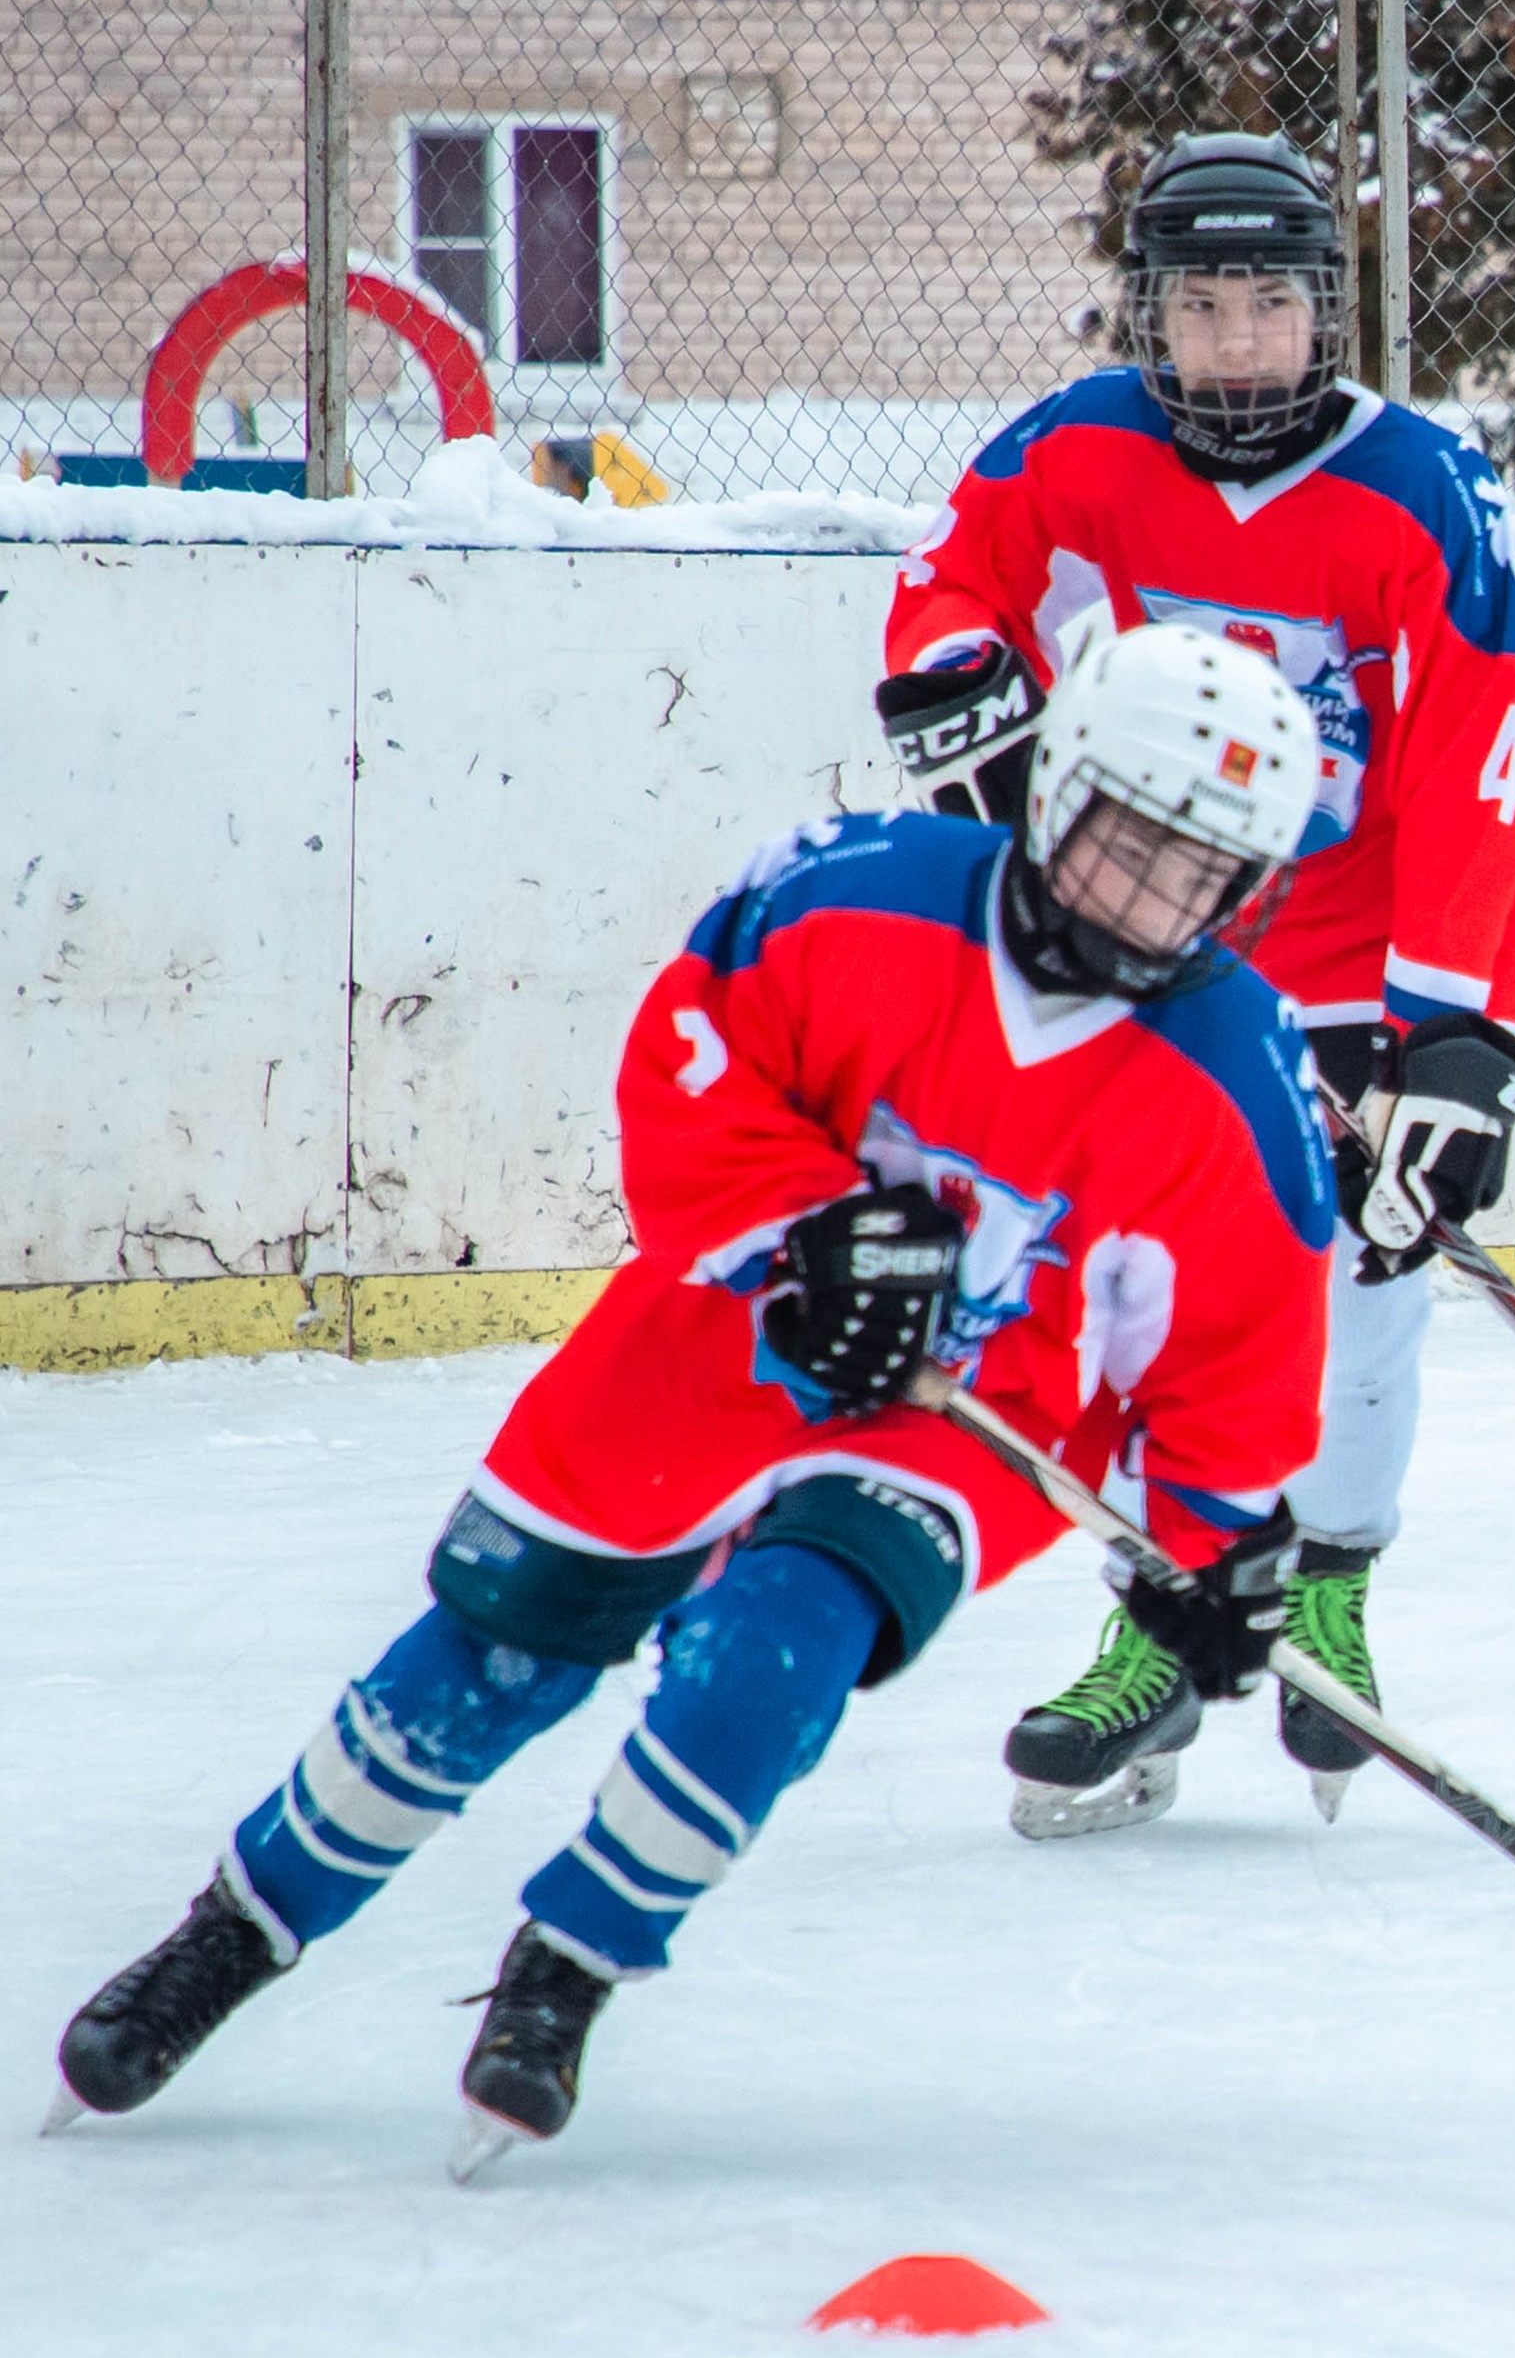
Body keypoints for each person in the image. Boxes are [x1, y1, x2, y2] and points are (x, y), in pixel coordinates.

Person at [49, 629, 1338, 2172]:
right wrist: (808, 1228)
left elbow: (1236, 1349)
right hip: (724, 1325)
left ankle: (567, 1967)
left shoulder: (1239, 1067)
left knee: (776, 1642)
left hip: (962, 1407)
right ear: (1055, 793)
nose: (1151, 902)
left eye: (1200, 875)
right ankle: (234, 1935)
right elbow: (687, 1063)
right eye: (1131, 845)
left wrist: (1201, 1547)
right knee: (493, 1656)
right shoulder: (851, 886)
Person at [876, 130, 1515, 1827]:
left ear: (1326, 310)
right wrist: (955, 675)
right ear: (1149, 310)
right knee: (1142, 1291)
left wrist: (1454, 1030)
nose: (1238, 340)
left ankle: (1329, 1579)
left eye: (1271, 302)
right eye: (1202, 303)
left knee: (1371, 1265)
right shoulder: (1074, 445)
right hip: (1158, 946)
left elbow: (1493, 759)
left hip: (1350, 958)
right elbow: (952, 580)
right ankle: (1166, 1624)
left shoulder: (1420, 490)